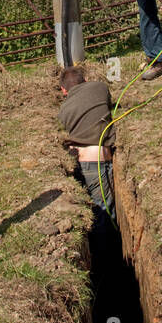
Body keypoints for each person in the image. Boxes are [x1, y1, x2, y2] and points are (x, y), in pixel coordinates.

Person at [58, 65, 117, 231]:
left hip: (80, 163)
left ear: (64, 90)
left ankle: (100, 251)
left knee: (93, 216)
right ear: (85, 80)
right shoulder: (100, 87)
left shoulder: (63, 109)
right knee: (104, 214)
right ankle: (105, 252)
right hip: (99, 161)